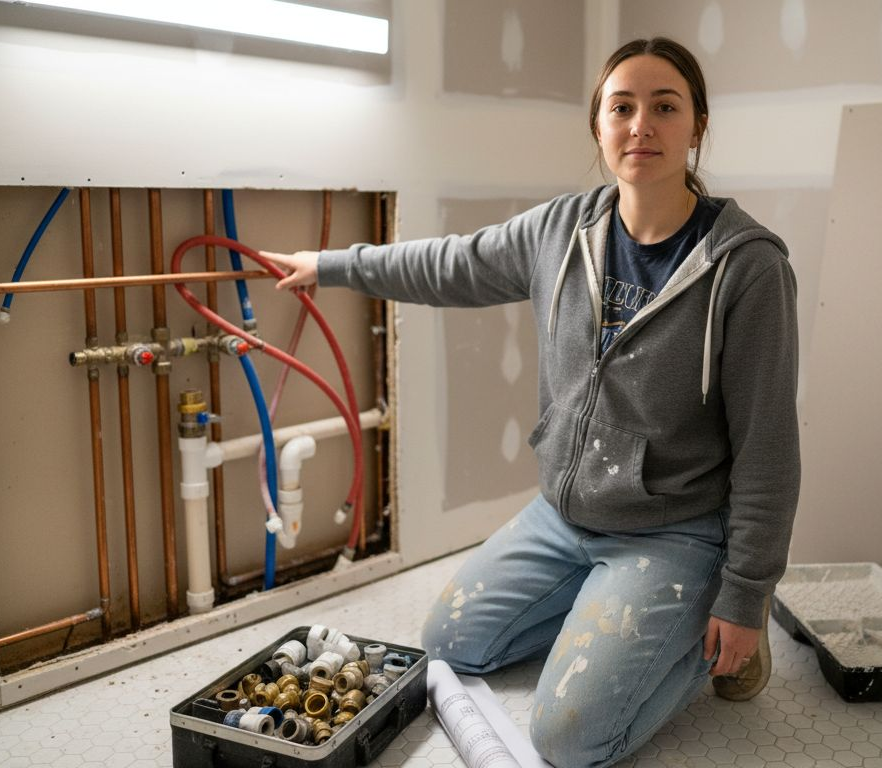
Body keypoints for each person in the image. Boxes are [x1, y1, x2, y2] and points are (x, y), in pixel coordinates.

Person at [265, 37, 800, 768]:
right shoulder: (563, 230)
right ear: (599, 127)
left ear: (697, 125)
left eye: (665, 106)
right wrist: (329, 266)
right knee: (449, 643)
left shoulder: (747, 267)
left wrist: (744, 595)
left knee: (568, 739)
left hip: (671, 531)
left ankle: (718, 645)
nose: (641, 124)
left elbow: (769, 445)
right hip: (564, 516)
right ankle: (609, 607)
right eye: (622, 107)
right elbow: (451, 264)